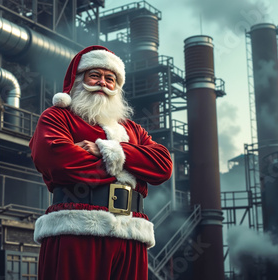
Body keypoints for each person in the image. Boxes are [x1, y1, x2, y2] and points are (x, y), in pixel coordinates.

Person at [29, 45, 173, 280]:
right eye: (94, 75)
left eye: (110, 78)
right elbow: (58, 161)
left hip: (131, 232)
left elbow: (163, 165)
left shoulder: (133, 129)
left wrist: (108, 150)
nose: (103, 83)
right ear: (78, 79)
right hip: (78, 228)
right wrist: (134, 168)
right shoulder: (57, 117)